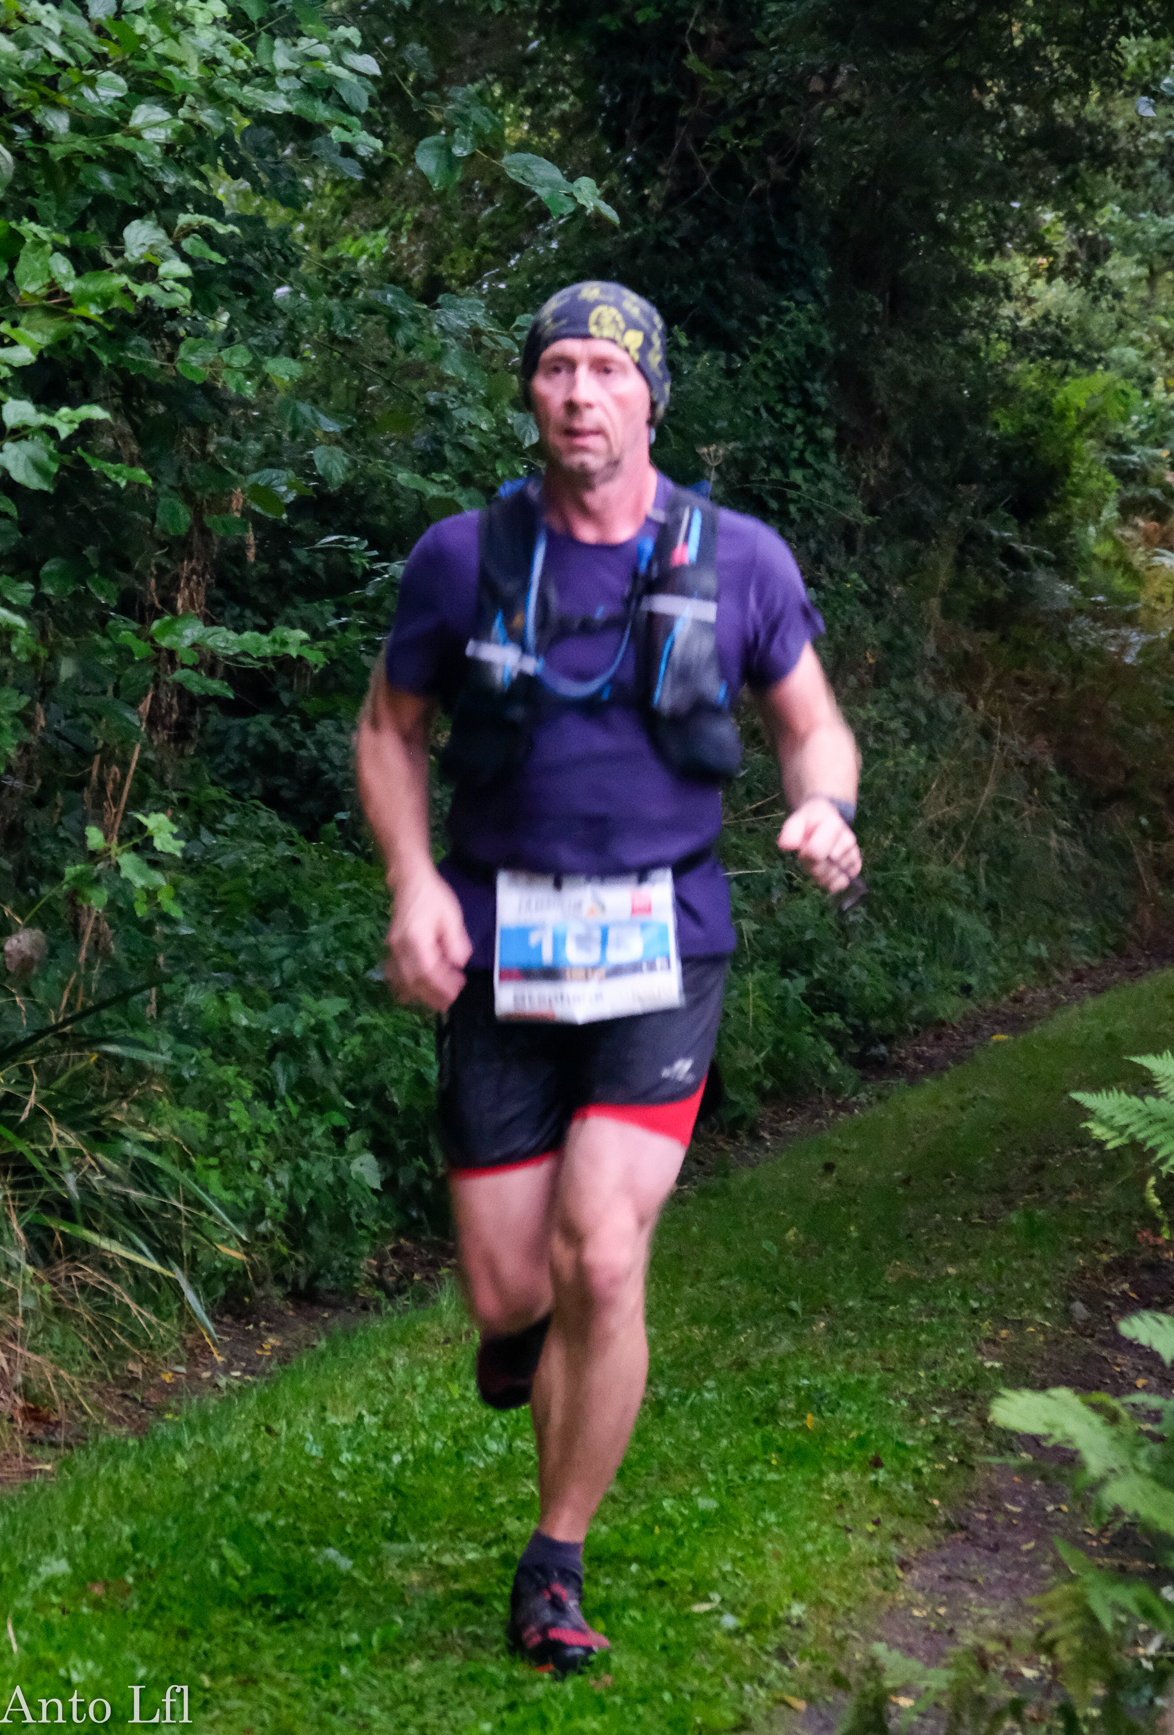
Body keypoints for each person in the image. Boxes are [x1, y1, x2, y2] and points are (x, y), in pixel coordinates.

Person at [353, 280, 862, 1677]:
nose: (581, 392)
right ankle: (519, 1331)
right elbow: (390, 729)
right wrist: (412, 885)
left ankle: (556, 1558)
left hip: (664, 944)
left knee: (603, 1253)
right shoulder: (460, 559)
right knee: (511, 1289)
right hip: (498, 942)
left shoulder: (740, 558)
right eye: (558, 368)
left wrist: (825, 807)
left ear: (652, 397)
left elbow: (812, 725)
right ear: (532, 393)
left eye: (609, 370)